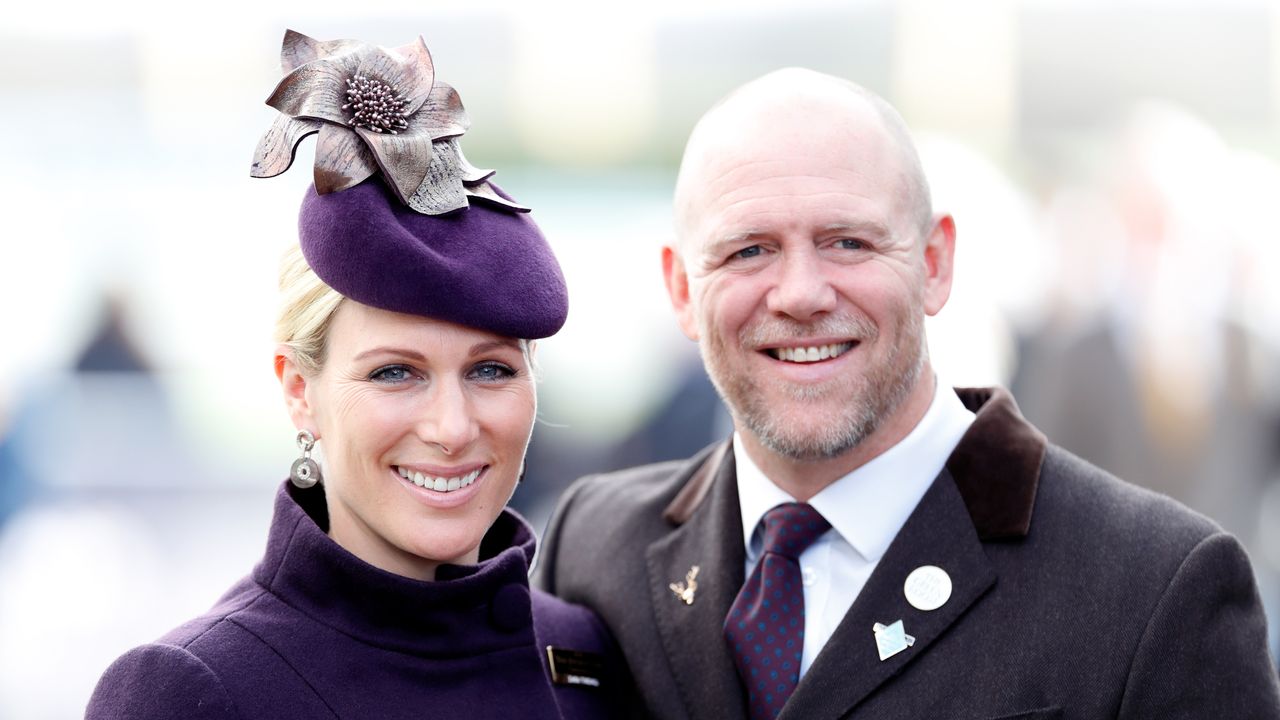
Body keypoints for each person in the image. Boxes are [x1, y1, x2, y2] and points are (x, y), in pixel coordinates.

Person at [533, 68, 1280, 719]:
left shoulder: (1157, 590)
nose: (798, 293)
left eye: (848, 241)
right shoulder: (593, 551)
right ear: (681, 290)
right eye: (749, 249)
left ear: (935, 262)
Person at [87, 30, 624, 720]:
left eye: (491, 369)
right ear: (297, 391)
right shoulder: (195, 690)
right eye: (396, 373)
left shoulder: (579, 656)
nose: (453, 428)